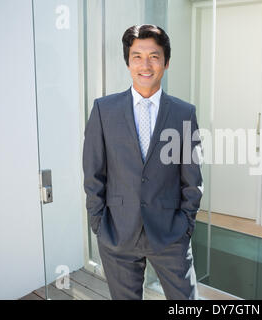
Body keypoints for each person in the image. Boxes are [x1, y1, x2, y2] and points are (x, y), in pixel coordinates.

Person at [83, 24, 203, 300]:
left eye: (154, 56)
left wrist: (185, 226)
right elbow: (93, 173)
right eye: (137, 56)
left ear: (166, 62)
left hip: (171, 235)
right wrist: (99, 224)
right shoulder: (103, 110)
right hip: (117, 234)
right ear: (127, 62)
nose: (145, 65)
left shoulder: (184, 113)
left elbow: (192, 178)